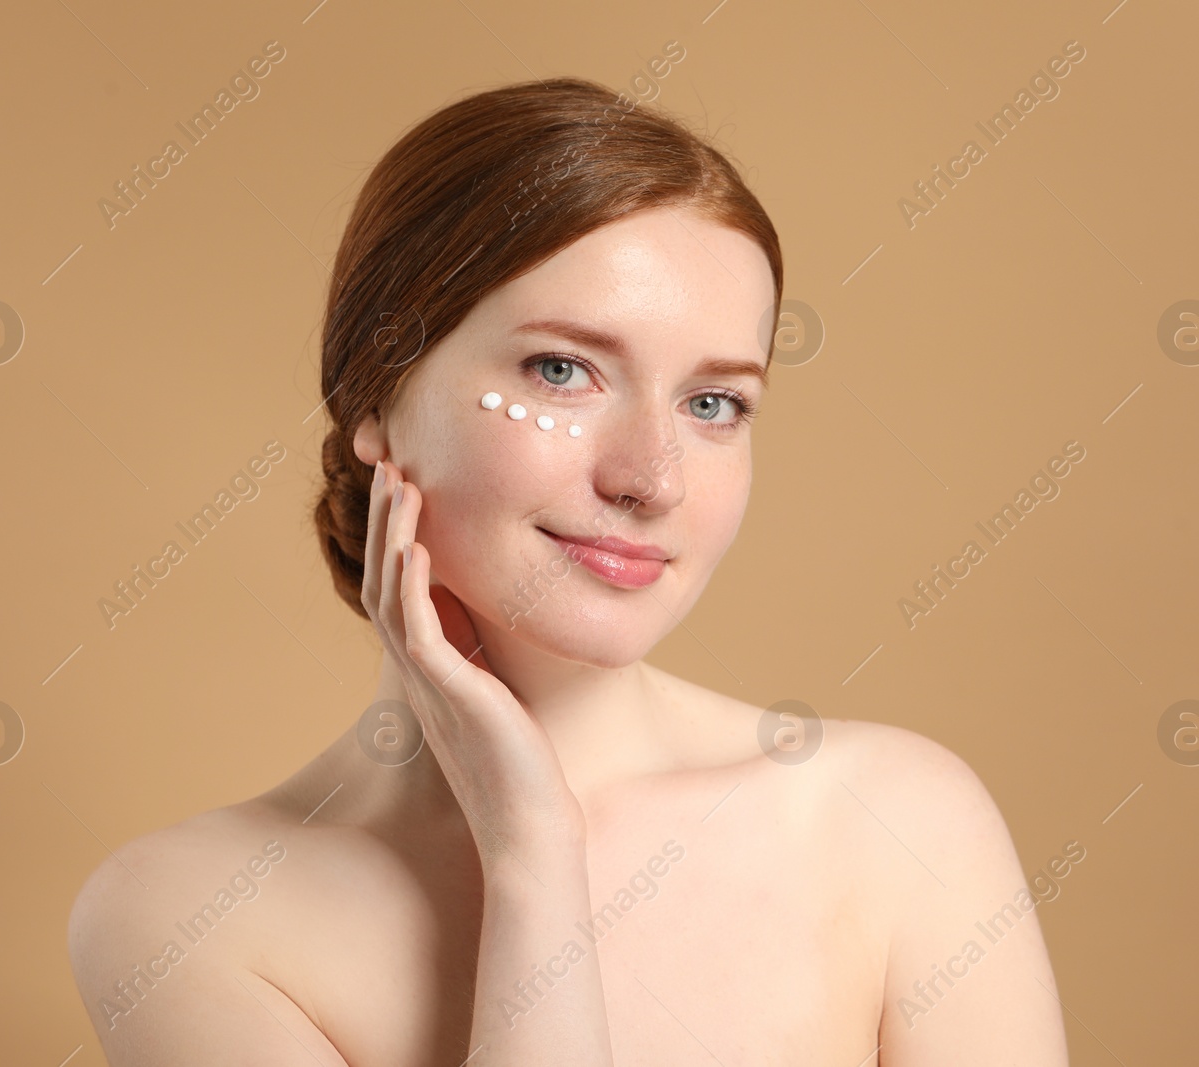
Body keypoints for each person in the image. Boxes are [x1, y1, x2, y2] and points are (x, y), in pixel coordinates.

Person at [67, 76, 1070, 1066]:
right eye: (561, 370)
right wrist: (531, 858)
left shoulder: (888, 820)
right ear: (377, 395)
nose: (651, 479)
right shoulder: (187, 917)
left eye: (713, 402)